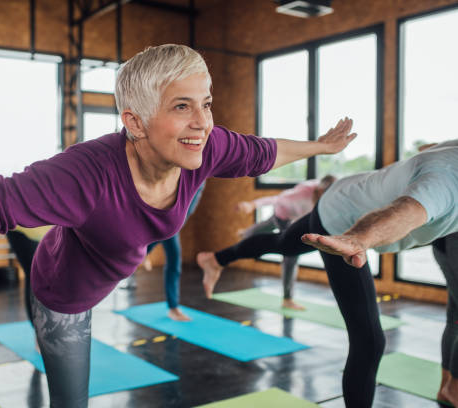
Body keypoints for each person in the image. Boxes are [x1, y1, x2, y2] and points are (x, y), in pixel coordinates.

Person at [0, 44, 355, 407]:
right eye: (183, 106)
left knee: (208, 157)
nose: (202, 120)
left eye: (206, 102)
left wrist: (320, 148)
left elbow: (266, 150)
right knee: (72, 401)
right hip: (64, 291)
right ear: (134, 122)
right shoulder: (85, 172)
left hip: (117, 255)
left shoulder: (209, 144)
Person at [197, 139, 458, 407]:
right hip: (343, 221)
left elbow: (429, 149)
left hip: (343, 193)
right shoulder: (447, 182)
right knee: (369, 341)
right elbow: (404, 213)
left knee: (283, 243)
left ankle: (216, 259)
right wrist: (357, 239)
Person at [228, 176, 336, 310]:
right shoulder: (303, 193)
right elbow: (276, 199)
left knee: (268, 224)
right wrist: (253, 204)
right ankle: (287, 299)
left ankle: (246, 234)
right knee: (290, 253)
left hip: (293, 217)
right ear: (320, 191)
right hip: (285, 215)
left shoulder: (330, 196)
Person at [142, 182, 206, 321]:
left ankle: (173, 308)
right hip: (167, 216)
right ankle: (142, 251)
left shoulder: (201, 177)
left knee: (174, 260)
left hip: (173, 222)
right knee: (174, 259)